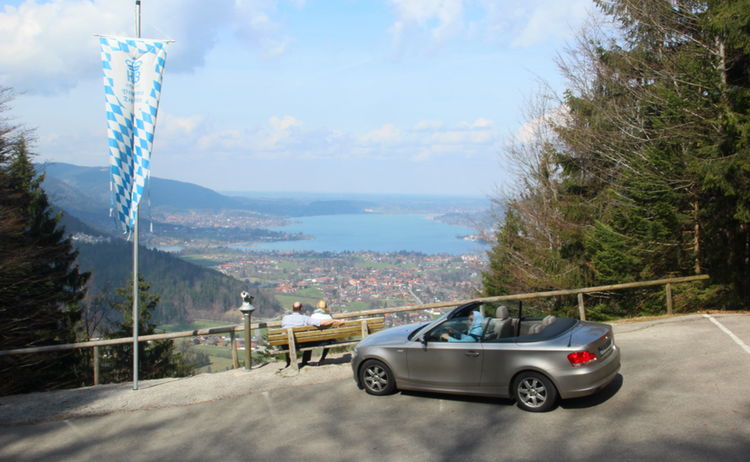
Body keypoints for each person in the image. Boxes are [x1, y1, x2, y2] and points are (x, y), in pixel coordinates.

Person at [281, 301, 342, 367]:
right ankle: (305, 361)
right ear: (301, 308)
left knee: (288, 340)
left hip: (285, 345)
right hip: (300, 344)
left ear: (292, 309)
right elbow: (320, 323)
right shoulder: (305, 318)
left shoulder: (285, 318)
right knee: (309, 340)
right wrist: (334, 320)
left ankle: (288, 363)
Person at [310, 300, 334, 364]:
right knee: (330, 339)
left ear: (317, 306)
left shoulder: (313, 316)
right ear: (326, 306)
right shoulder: (329, 316)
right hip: (326, 341)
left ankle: (305, 361)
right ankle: (323, 358)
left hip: (314, 340)